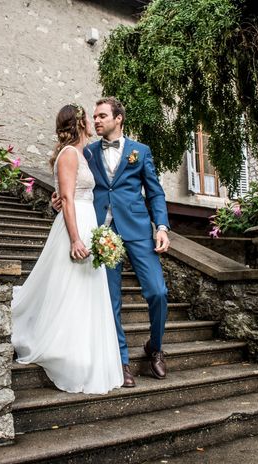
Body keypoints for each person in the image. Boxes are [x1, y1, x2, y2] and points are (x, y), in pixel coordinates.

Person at [52, 97, 171, 388]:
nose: (97, 121)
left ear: (119, 119)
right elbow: (70, 182)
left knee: (158, 291)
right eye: (94, 116)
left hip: (138, 229)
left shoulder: (140, 152)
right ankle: (121, 361)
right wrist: (57, 199)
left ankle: (155, 347)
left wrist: (162, 227)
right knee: (110, 300)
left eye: (103, 115)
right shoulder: (88, 152)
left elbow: (154, 193)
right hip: (100, 232)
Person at [11, 104, 123, 395]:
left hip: (88, 221)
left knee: (84, 290)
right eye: (89, 117)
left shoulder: (83, 154)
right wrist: (75, 238)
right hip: (76, 225)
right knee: (69, 288)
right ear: (79, 122)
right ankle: (65, 350)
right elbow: (70, 200)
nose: (92, 121)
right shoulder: (70, 154)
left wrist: (58, 198)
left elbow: (67, 193)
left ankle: (82, 351)